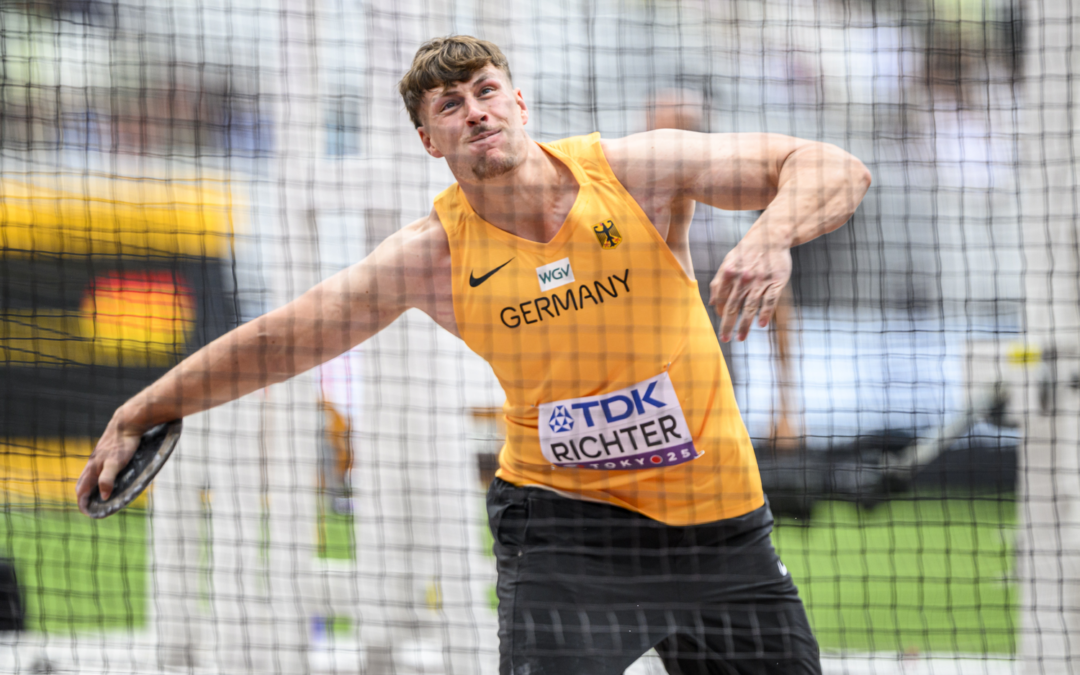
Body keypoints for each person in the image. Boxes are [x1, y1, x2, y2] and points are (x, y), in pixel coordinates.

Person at [77, 36, 870, 675]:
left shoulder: (635, 174)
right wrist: (144, 407)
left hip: (720, 524)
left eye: (488, 91)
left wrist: (770, 233)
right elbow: (285, 336)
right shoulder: (430, 252)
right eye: (450, 105)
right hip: (570, 533)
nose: (476, 111)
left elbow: (833, 167)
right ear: (430, 139)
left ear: (519, 102)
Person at [648, 89, 803, 450]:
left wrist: (786, 407)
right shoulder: (624, 203)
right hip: (638, 388)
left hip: (712, 391)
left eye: (673, 130)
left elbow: (779, 307)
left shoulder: (729, 216)